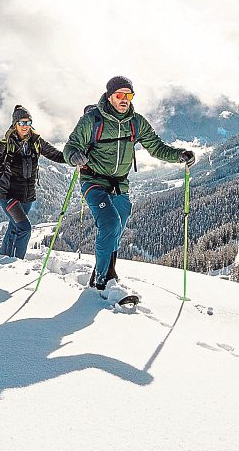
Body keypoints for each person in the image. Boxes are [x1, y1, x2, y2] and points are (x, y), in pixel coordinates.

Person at [64, 76, 195, 291]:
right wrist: (74, 156)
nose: (125, 99)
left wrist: (179, 155)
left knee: (119, 222)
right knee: (109, 222)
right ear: (109, 96)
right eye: (120, 95)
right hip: (93, 180)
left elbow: (156, 147)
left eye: (129, 95)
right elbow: (71, 147)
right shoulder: (92, 121)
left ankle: (107, 269)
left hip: (120, 184)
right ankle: (102, 280)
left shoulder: (136, 122)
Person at [0, 105, 66, 259]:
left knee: (14, 227)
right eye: (22, 123)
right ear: (15, 124)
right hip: (8, 194)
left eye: (28, 122)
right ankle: (16, 262)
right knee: (24, 228)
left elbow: (56, 155)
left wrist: (72, 158)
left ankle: (1, 257)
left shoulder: (36, 141)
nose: (25, 126)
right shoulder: (5, 144)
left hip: (27, 196)